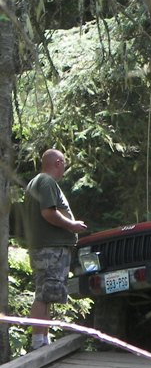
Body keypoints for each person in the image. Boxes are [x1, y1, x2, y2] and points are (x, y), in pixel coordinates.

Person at [24, 149, 87, 350]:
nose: (64, 169)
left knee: (48, 293)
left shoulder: (37, 182)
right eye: (64, 165)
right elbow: (48, 213)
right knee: (44, 293)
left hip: (46, 248)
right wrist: (72, 225)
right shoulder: (46, 182)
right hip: (49, 249)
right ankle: (37, 343)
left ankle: (43, 339)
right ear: (58, 162)